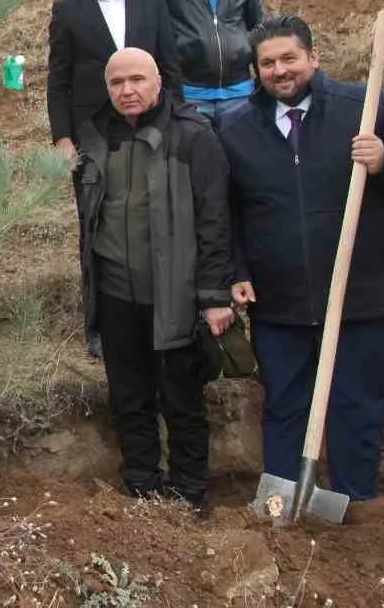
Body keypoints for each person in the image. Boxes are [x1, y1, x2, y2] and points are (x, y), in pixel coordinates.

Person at [218, 15, 384, 507]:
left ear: (313, 58)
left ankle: (355, 506)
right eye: (268, 63)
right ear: (256, 70)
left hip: (361, 292)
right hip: (278, 298)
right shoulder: (233, 127)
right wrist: (238, 270)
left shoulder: (363, 107)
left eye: (289, 58)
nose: (280, 70)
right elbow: (224, 211)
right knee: (285, 405)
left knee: (356, 404)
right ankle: (282, 508)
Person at [76, 48, 233, 509]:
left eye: (137, 80)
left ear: (158, 81)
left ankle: (189, 494)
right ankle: (141, 486)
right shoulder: (97, 137)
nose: (127, 90)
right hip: (115, 292)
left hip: (176, 295)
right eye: (117, 82)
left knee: (181, 399)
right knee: (129, 397)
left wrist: (213, 294)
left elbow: (215, 219)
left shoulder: (193, 136)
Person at [49, 0, 182, 357]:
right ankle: (100, 327)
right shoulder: (69, 11)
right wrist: (64, 138)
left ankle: (158, 314)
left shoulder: (152, 5)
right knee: (95, 227)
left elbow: (171, 66)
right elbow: (58, 81)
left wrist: (176, 121)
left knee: (153, 220)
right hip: (93, 137)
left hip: (149, 132)